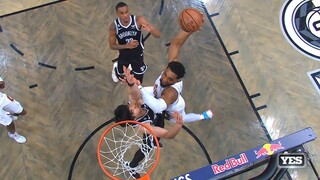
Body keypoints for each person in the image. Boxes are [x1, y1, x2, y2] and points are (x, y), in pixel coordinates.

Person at [125, 30, 213, 123]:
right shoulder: (171, 67)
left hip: (174, 108)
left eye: (170, 79)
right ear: (166, 67)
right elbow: (176, 43)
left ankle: (202, 116)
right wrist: (190, 30)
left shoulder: (171, 92)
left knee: (179, 120)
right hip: (157, 92)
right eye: (165, 74)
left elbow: (158, 108)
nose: (165, 79)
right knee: (136, 94)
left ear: (177, 80)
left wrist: (138, 87)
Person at [113, 70, 184, 179]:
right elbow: (168, 135)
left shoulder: (135, 102)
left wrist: (131, 82)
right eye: (132, 112)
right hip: (151, 126)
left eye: (129, 107)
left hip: (157, 117)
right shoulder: (144, 127)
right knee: (146, 148)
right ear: (134, 119)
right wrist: (178, 125)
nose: (132, 107)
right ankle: (131, 166)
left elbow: (133, 93)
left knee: (160, 121)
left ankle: (156, 141)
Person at [109, 1, 161, 83]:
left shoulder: (138, 20)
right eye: (122, 13)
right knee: (121, 77)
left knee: (139, 82)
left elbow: (158, 35)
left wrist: (151, 30)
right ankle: (116, 67)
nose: (125, 15)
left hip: (138, 55)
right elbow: (112, 46)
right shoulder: (114, 26)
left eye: (126, 12)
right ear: (117, 14)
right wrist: (127, 46)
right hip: (124, 55)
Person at [0, 77, 27, 143]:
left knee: (22, 111)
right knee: (9, 122)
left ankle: (7, 113)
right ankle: (14, 135)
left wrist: (0, 81)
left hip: (1, 98)